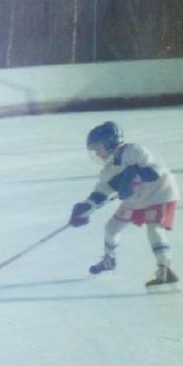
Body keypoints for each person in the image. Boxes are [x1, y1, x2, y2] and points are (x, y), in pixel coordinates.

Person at [69, 121, 178, 290]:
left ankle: (165, 270)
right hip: (137, 199)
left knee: (154, 229)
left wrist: (133, 175)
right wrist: (85, 208)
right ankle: (109, 261)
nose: (96, 153)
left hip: (159, 193)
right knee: (112, 228)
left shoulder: (133, 151)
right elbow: (102, 191)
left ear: (109, 142)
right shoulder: (109, 169)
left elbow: (155, 170)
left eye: (97, 147)